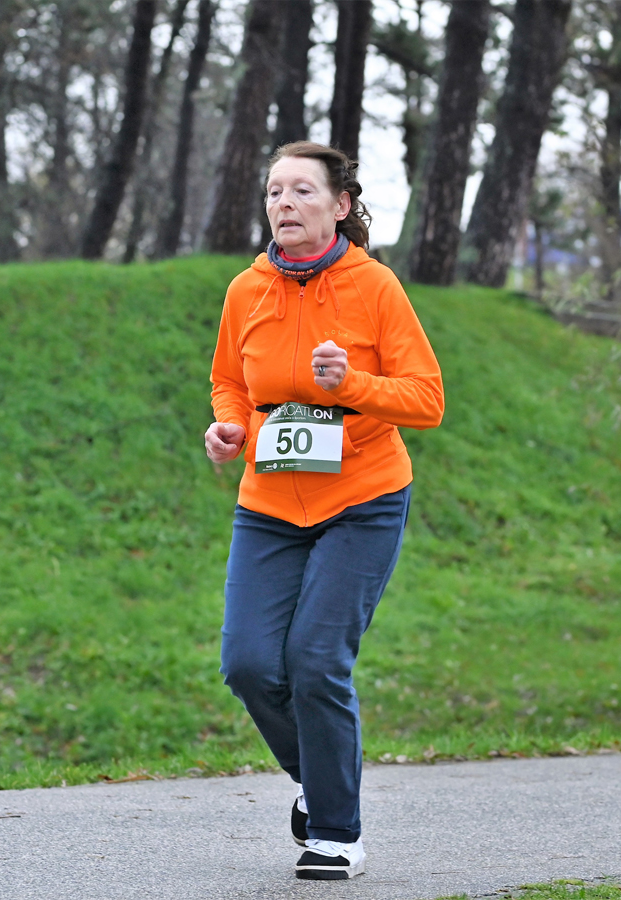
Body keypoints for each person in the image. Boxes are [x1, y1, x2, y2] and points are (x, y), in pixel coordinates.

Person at [204, 141, 444, 880]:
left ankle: (336, 833)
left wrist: (352, 385)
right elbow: (228, 380)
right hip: (269, 501)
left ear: (340, 206)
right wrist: (229, 427)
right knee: (248, 663)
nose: (284, 203)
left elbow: (426, 399)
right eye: (274, 190)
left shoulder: (374, 286)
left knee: (314, 660)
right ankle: (320, 778)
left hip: (362, 499)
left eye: (302, 190)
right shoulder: (246, 289)